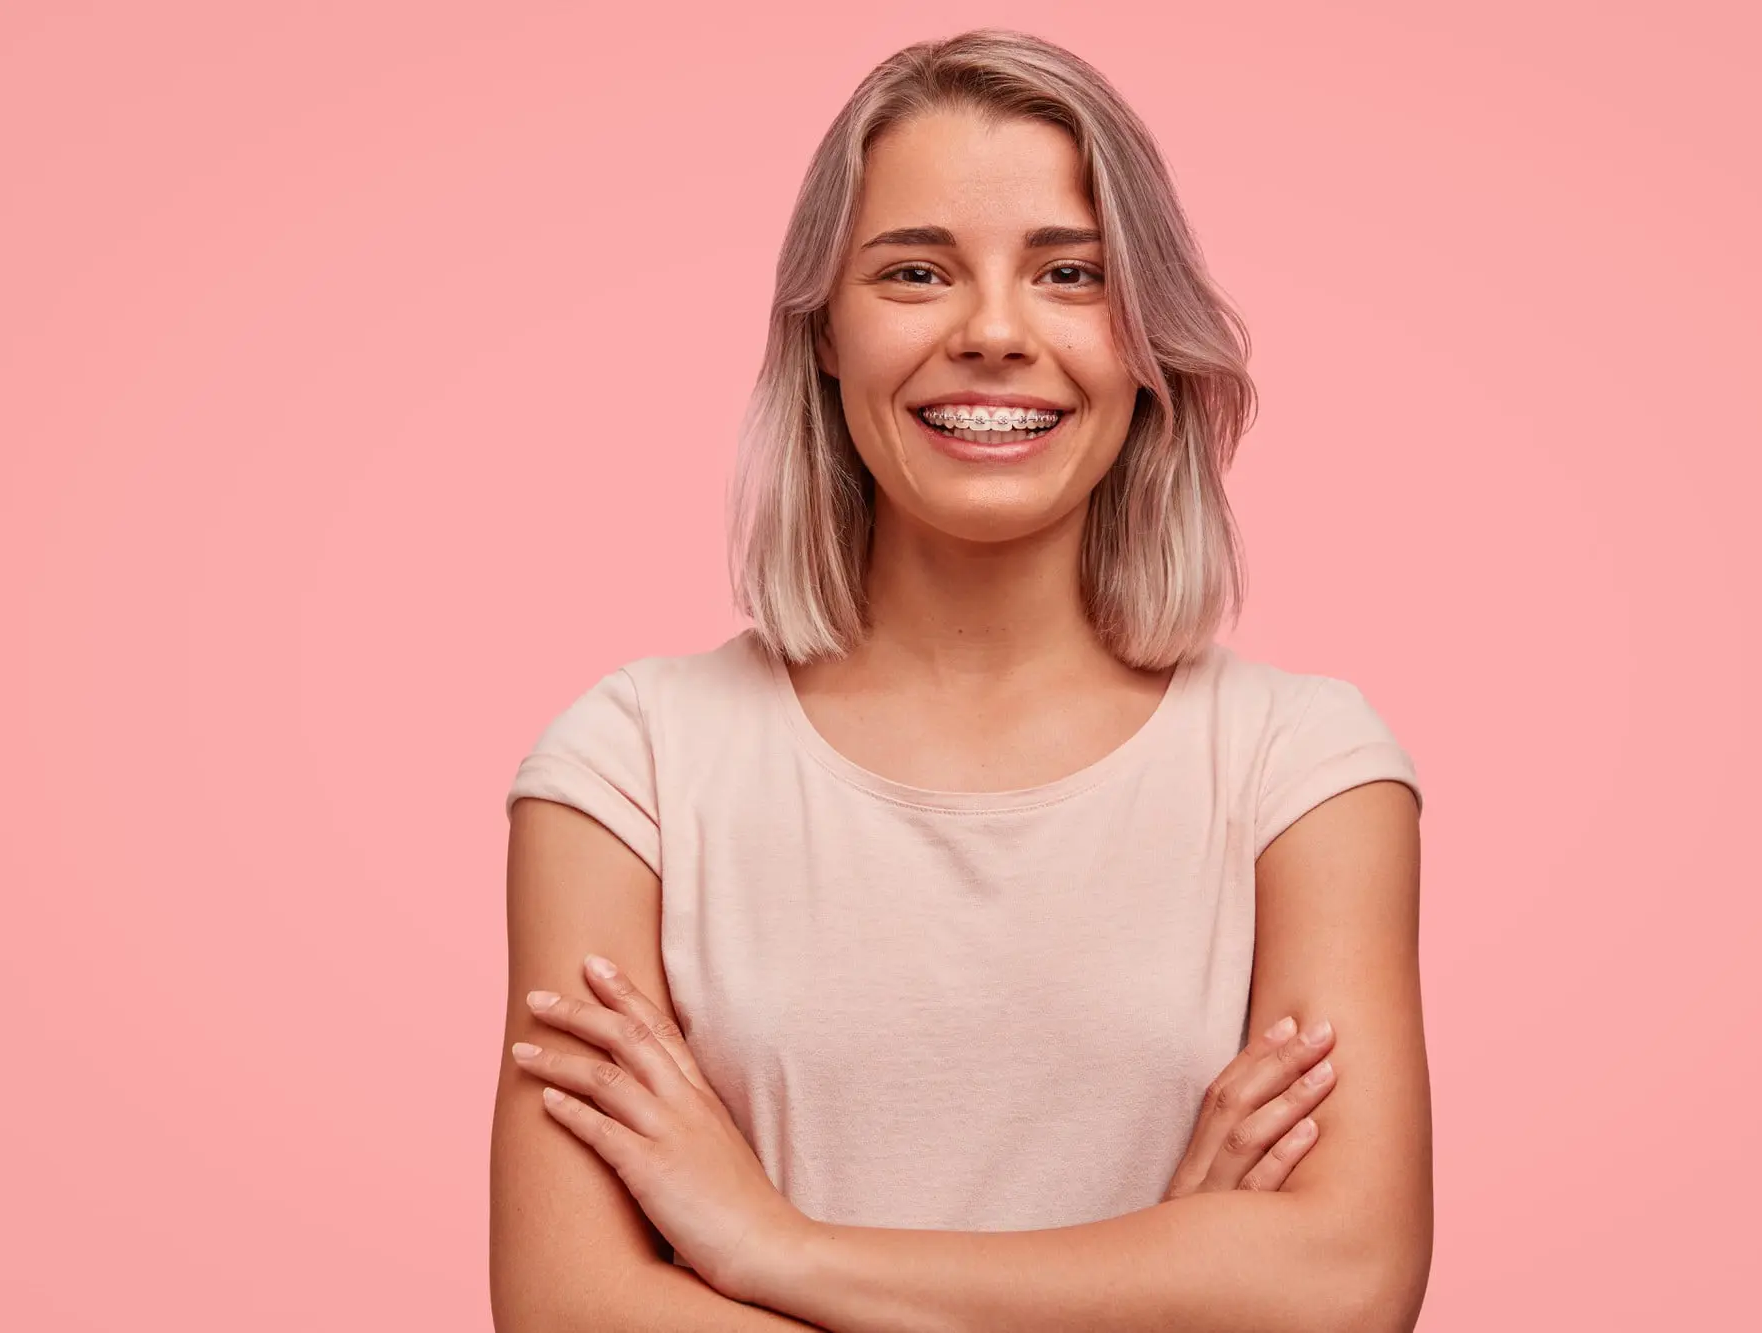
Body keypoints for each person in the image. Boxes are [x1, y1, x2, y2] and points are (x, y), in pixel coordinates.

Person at [490, 28, 1431, 1332]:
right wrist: (1160, 1281)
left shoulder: (1305, 775)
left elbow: (1344, 1283)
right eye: (917, 271)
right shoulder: (630, 769)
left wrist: (775, 1248)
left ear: (1147, 336)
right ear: (822, 333)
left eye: (1070, 274)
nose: (994, 333)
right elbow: (567, 1310)